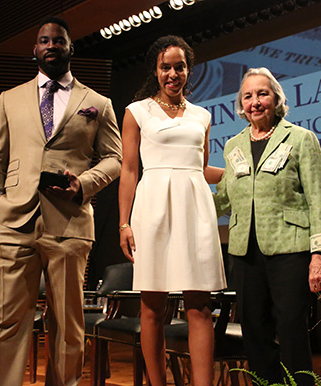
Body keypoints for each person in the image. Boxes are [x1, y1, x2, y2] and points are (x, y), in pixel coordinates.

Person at [0, 16, 122, 386]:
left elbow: (116, 158)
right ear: (35, 49)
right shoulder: (8, 99)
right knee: (8, 319)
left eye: (58, 40)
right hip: (13, 222)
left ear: (69, 47)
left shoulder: (97, 102)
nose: (51, 46)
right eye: (44, 41)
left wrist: (85, 183)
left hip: (70, 223)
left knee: (67, 323)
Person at [214, 67, 321, 386]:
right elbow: (224, 198)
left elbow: (320, 197)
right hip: (245, 253)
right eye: (248, 96)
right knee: (254, 333)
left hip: (291, 250)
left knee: (291, 331)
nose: (255, 102)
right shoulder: (233, 146)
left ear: (276, 99)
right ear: (241, 105)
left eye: (262, 94)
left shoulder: (300, 139)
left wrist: (319, 255)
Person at [118, 35, 227, 386]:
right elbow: (130, 170)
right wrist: (123, 222)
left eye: (179, 67)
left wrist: (241, 174)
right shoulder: (137, 112)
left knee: (200, 305)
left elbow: (200, 168)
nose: (173, 73)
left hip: (195, 209)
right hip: (153, 210)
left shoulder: (202, 116)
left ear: (188, 71)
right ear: (156, 69)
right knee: (153, 306)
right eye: (166, 67)